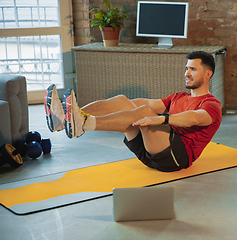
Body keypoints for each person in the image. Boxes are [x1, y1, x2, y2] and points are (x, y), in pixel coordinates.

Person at [44, 51, 222, 172]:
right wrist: (126, 106)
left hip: (175, 158)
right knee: (124, 101)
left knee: (144, 111)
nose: (186, 73)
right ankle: (67, 118)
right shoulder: (179, 96)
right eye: (186, 68)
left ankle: (83, 124)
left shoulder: (211, 104)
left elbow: (195, 118)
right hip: (148, 153)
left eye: (193, 69)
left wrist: (163, 119)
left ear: (208, 74)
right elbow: (144, 103)